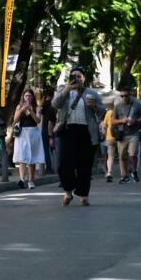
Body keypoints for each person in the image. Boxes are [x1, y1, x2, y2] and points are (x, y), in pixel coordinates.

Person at [52, 66, 105, 206]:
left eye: (79, 76)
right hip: (67, 130)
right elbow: (55, 104)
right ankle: (68, 191)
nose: (76, 79)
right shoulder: (64, 91)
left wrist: (94, 106)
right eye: (73, 76)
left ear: (84, 78)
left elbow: (102, 111)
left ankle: (83, 194)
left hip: (85, 131)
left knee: (84, 165)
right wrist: (66, 90)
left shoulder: (91, 93)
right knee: (63, 163)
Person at [12, 89, 44, 189]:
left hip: (33, 132)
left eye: (29, 96)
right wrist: (22, 110)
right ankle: (22, 179)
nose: (27, 98)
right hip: (22, 133)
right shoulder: (19, 106)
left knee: (32, 158)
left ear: (32, 97)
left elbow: (38, 121)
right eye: (26, 96)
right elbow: (15, 120)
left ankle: (31, 180)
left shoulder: (37, 107)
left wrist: (31, 111)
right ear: (23, 97)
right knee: (22, 157)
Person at [112, 86, 141, 184]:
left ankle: (134, 170)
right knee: (122, 156)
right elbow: (113, 121)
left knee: (133, 154)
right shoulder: (117, 106)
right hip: (122, 134)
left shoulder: (137, 105)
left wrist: (135, 121)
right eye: (122, 96)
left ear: (130, 94)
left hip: (133, 133)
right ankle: (124, 176)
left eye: (126, 95)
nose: (124, 97)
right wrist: (122, 120)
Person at [40, 88, 56, 174]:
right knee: (53, 149)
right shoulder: (53, 105)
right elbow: (51, 121)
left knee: (46, 149)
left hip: (44, 128)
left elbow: (40, 112)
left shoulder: (44, 104)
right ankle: (53, 166)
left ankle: (49, 166)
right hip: (52, 128)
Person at [101, 105, 117, 182]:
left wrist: (104, 135)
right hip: (121, 137)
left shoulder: (108, 113)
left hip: (110, 136)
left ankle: (109, 172)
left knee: (110, 156)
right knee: (123, 156)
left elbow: (104, 126)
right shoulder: (121, 111)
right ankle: (127, 172)